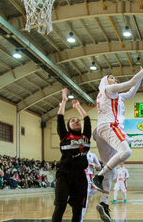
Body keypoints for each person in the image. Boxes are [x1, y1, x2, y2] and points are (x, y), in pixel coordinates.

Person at [92, 53, 143, 222]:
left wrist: (141, 77)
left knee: (112, 170)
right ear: (105, 81)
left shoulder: (114, 96)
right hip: (109, 127)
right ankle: (98, 175)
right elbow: (129, 83)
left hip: (101, 131)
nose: (114, 79)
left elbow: (130, 92)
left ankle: (104, 204)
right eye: (111, 77)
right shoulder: (107, 90)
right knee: (126, 151)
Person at [52, 88, 91, 222]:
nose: (76, 121)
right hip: (64, 173)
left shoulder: (86, 136)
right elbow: (59, 118)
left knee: (77, 209)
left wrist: (78, 106)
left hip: (80, 175)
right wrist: (64, 101)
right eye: (72, 121)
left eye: (77, 120)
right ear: (68, 126)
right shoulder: (65, 135)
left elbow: (87, 119)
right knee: (60, 206)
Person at [81, 151, 101, 222]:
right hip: (78, 176)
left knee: (85, 199)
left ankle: (81, 219)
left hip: (88, 177)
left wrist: (94, 165)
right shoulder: (78, 153)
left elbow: (99, 167)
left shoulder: (92, 155)